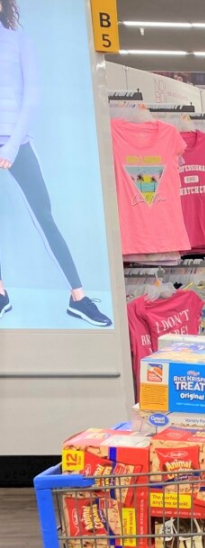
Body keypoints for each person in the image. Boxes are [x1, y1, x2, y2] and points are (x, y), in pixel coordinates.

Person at [0, 0, 111, 326]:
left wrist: (12, 146)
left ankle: (78, 296)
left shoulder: (20, 40)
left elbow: (32, 97)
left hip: (15, 141)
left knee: (45, 218)